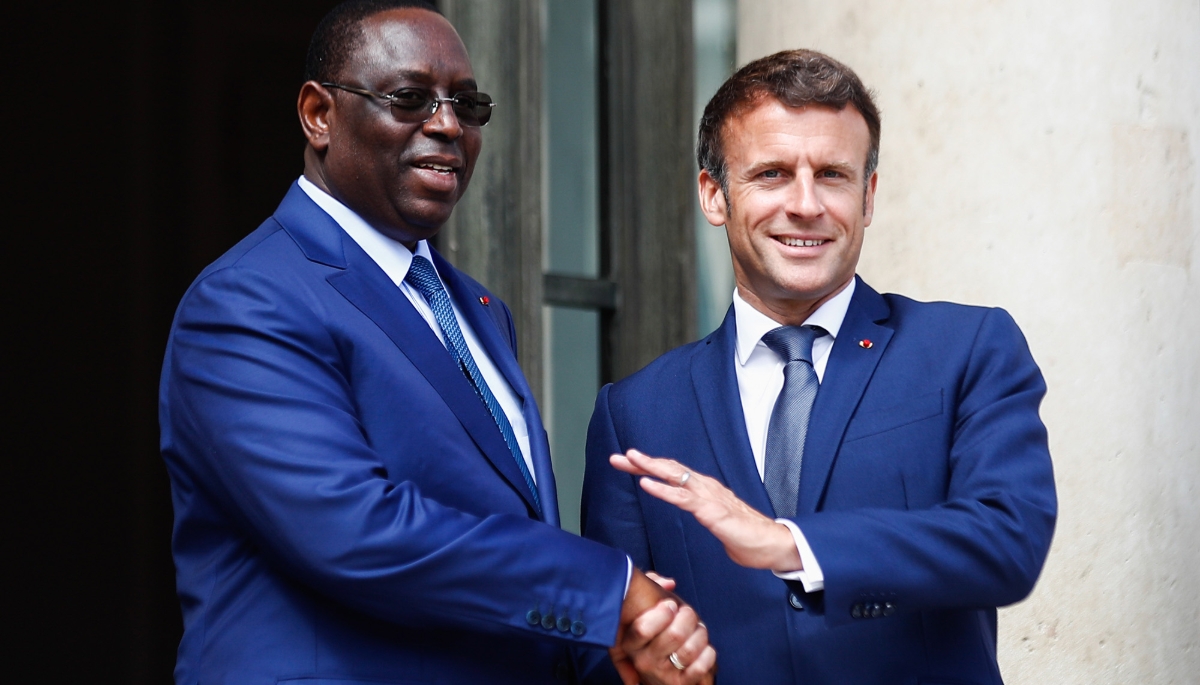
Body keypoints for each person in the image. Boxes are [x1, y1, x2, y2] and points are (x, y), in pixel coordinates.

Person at [158, 2, 716, 683]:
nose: (448, 124)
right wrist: (610, 589)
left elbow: (504, 542)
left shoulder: (477, 308)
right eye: (410, 97)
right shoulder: (248, 301)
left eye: (468, 104)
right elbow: (355, 532)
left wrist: (624, 645)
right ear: (318, 114)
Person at [581, 49, 1057, 684]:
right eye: (773, 174)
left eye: (832, 175)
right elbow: (603, 652)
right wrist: (649, 660)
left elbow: (1007, 542)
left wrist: (791, 547)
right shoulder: (634, 413)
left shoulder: (966, 348)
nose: (805, 205)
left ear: (868, 196)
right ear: (714, 195)